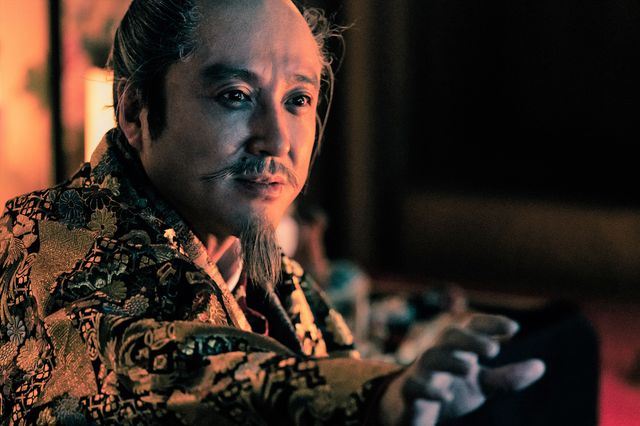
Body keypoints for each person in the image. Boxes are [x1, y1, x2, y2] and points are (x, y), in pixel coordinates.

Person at [0, 1, 545, 424]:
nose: (277, 139)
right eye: (235, 95)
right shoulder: (44, 240)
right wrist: (376, 395)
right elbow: (146, 364)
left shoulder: (277, 279)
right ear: (136, 111)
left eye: (297, 100)